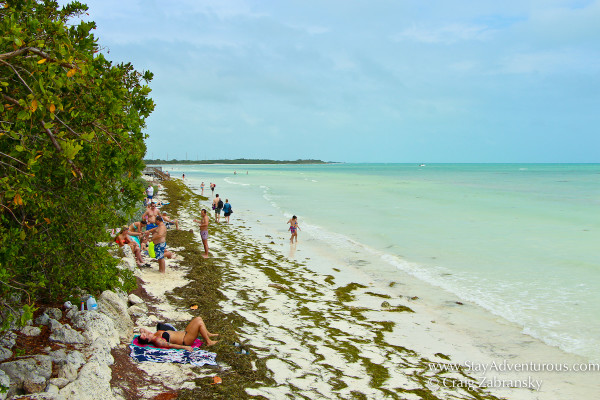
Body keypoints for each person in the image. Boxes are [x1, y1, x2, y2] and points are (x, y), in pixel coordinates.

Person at [137, 316, 219, 349]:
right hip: (185, 339)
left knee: (199, 318)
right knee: (199, 323)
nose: (143, 334)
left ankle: (208, 334)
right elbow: (170, 345)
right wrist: (185, 347)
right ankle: (209, 342)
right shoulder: (157, 341)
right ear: (147, 340)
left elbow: (142, 329)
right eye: (143, 336)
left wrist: (142, 333)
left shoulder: (152, 335)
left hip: (184, 333)